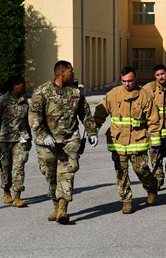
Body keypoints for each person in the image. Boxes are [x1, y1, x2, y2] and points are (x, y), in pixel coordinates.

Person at [29, 60, 98, 224]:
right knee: (50, 175)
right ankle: (55, 204)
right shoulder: (42, 92)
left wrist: (91, 132)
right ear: (61, 73)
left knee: (66, 173)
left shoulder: (76, 92)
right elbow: (34, 118)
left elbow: (85, 114)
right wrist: (43, 136)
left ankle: (62, 209)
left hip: (70, 140)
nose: (73, 74)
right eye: (71, 71)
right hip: (47, 142)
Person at [94, 66, 161, 214]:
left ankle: (151, 187)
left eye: (130, 81)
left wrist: (156, 141)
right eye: (124, 81)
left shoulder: (145, 96)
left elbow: (153, 121)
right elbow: (100, 114)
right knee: (121, 173)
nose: (127, 84)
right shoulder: (113, 95)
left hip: (138, 141)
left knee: (141, 170)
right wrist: (93, 131)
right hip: (117, 142)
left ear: (135, 79)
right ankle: (126, 200)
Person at [0, 76, 31, 207]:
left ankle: (17, 196)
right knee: (5, 167)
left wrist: (29, 139)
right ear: (14, 85)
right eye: (22, 84)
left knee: (19, 166)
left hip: (21, 138)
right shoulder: (1, 101)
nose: (25, 86)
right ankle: (7, 192)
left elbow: (26, 122)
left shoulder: (25, 102)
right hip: (4, 139)